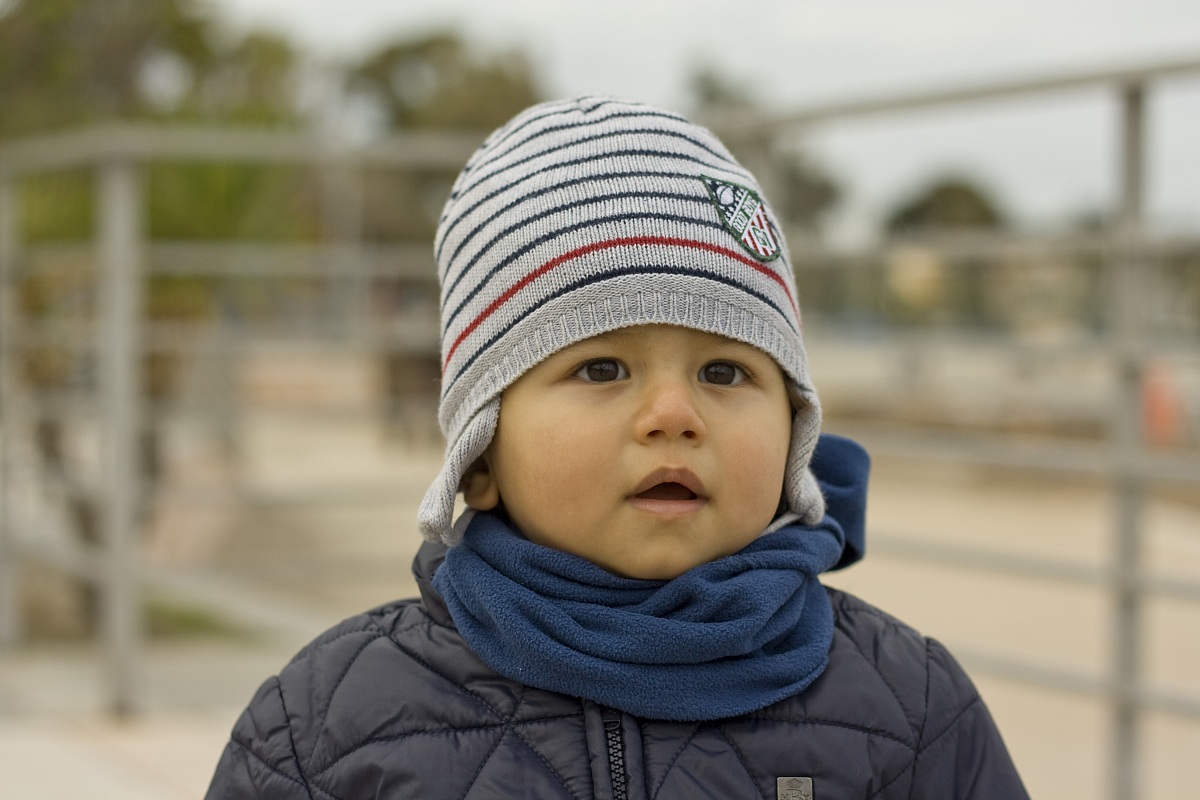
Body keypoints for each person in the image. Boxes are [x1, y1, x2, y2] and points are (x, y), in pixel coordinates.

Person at [205, 97, 1029, 799]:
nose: (673, 415)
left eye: (725, 370)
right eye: (601, 368)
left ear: (794, 431)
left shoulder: (915, 716)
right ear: (480, 455)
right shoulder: (322, 735)